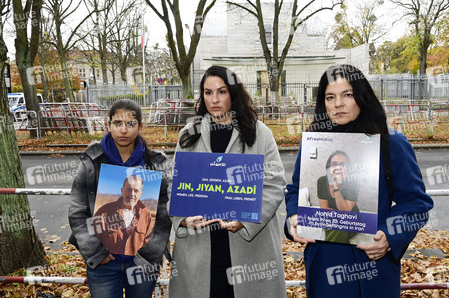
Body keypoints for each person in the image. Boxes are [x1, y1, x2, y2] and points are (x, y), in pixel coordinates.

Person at [285, 64, 433, 297]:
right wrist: (293, 217)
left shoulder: (391, 142)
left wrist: (389, 236)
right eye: (330, 97)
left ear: (362, 97)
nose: (338, 104)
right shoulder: (315, 142)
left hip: (372, 268)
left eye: (348, 95)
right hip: (324, 267)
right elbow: (296, 189)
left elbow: (416, 204)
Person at [168, 65, 287, 298]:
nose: (214, 99)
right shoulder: (189, 134)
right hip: (200, 250)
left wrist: (246, 220)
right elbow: (174, 184)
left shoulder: (259, 133)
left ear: (233, 92)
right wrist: (182, 219)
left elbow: (274, 184)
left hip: (249, 251)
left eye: (221, 92)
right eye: (208, 92)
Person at [68, 99, 172, 298]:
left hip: (142, 264)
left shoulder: (156, 164)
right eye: (117, 123)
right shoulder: (92, 161)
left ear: (140, 126)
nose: (123, 130)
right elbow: (76, 211)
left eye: (130, 124)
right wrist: (95, 253)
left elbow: (165, 216)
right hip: (103, 264)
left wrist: (149, 255)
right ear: (109, 125)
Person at [93, 175, 153, 256]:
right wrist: (101, 257)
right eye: (128, 189)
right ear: (122, 190)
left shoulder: (146, 214)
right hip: (109, 263)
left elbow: (149, 242)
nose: (132, 194)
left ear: (141, 194)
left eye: (136, 191)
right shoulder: (104, 211)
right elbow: (91, 238)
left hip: (135, 264)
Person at [318, 150, 359, 243]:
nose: (338, 167)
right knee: (337, 225)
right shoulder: (322, 181)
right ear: (329, 166)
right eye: (334, 164)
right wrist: (338, 217)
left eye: (342, 164)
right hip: (330, 218)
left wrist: (336, 188)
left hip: (352, 219)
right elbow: (324, 208)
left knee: (339, 226)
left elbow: (345, 212)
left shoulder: (353, 182)